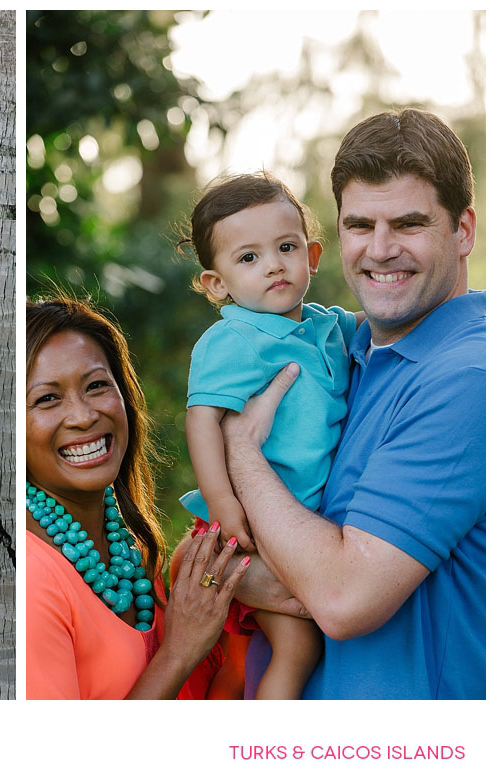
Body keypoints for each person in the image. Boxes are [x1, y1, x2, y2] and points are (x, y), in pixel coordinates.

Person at [221, 108, 484, 699]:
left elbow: (343, 599)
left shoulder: (469, 378)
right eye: (360, 225)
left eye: (409, 224)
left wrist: (242, 454)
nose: (381, 249)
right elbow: (209, 554)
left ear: (464, 230)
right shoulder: (343, 351)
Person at [178, 172, 364, 698]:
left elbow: (385, 325)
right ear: (217, 284)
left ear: (312, 254)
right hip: (250, 529)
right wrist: (221, 502)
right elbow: (203, 420)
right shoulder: (233, 339)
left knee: (276, 652)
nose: (274, 265)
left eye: (286, 247)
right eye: (249, 258)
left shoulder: (331, 327)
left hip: (303, 525)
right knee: (298, 647)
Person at [26, 296, 252, 699]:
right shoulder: (32, 577)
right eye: (47, 398)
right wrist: (179, 652)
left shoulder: (129, 553)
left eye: (96, 386)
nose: (82, 416)